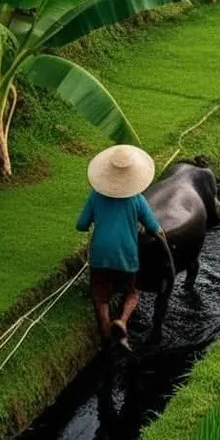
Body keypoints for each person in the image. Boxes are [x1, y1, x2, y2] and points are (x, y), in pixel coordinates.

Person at [76, 144, 171, 353]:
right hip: (127, 257)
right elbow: (154, 227)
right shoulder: (137, 199)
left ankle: (106, 332)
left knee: (101, 296)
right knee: (131, 293)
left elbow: (81, 224)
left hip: (100, 256)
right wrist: (165, 242)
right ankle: (122, 322)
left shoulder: (96, 197)